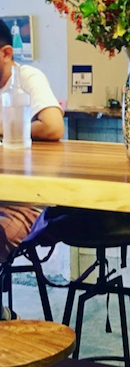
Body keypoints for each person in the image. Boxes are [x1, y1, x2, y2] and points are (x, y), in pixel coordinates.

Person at [0, 19, 64, 320]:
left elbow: (53, 126)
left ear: (6, 53)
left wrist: (6, 127)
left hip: (25, 200)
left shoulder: (27, 78)